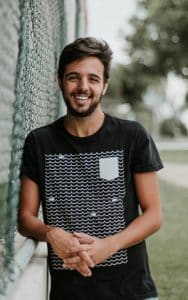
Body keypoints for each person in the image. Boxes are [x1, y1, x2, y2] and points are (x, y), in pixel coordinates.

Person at [18, 37, 163, 300]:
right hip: (69, 293)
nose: (83, 87)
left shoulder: (132, 136)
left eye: (93, 79)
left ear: (105, 85)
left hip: (131, 291)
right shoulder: (39, 142)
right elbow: (25, 218)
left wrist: (109, 246)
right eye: (73, 77)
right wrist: (52, 234)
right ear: (59, 80)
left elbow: (153, 215)